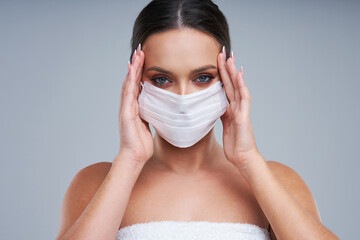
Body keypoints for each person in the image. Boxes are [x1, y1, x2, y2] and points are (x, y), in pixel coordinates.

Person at [55, 0, 340, 239]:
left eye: (203, 78)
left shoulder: (277, 181)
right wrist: (129, 160)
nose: (182, 98)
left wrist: (248, 160)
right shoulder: (96, 183)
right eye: (162, 79)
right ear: (136, 81)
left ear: (227, 79)